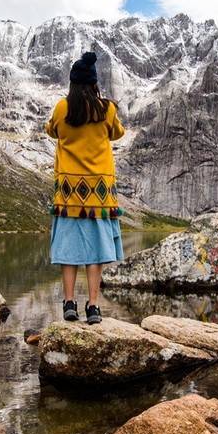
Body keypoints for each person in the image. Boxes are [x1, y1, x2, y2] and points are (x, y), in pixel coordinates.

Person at [45, 51, 125, 324]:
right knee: (97, 252)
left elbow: (51, 130)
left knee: (69, 251)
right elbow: (118, 133)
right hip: (100, 194)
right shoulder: (107, 109)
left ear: (72, 84)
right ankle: (93, 306)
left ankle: (69, 303)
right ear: (94, 83)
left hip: (68, 193)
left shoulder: (62, 108)